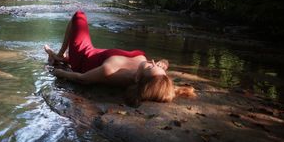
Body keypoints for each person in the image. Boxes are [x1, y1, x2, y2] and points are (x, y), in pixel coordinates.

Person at [44, 10, 195, 106]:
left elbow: (82, 79)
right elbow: (163, 77)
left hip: (84, 56)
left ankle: (60, 56)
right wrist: (164, 63)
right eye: (157, 66)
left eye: (151, 66)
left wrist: (61, 73)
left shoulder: (111, 71)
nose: (153, 62)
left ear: (137, 79)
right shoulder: (153, 78)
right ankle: (62, 57)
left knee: (79, 16)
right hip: (100, 53)